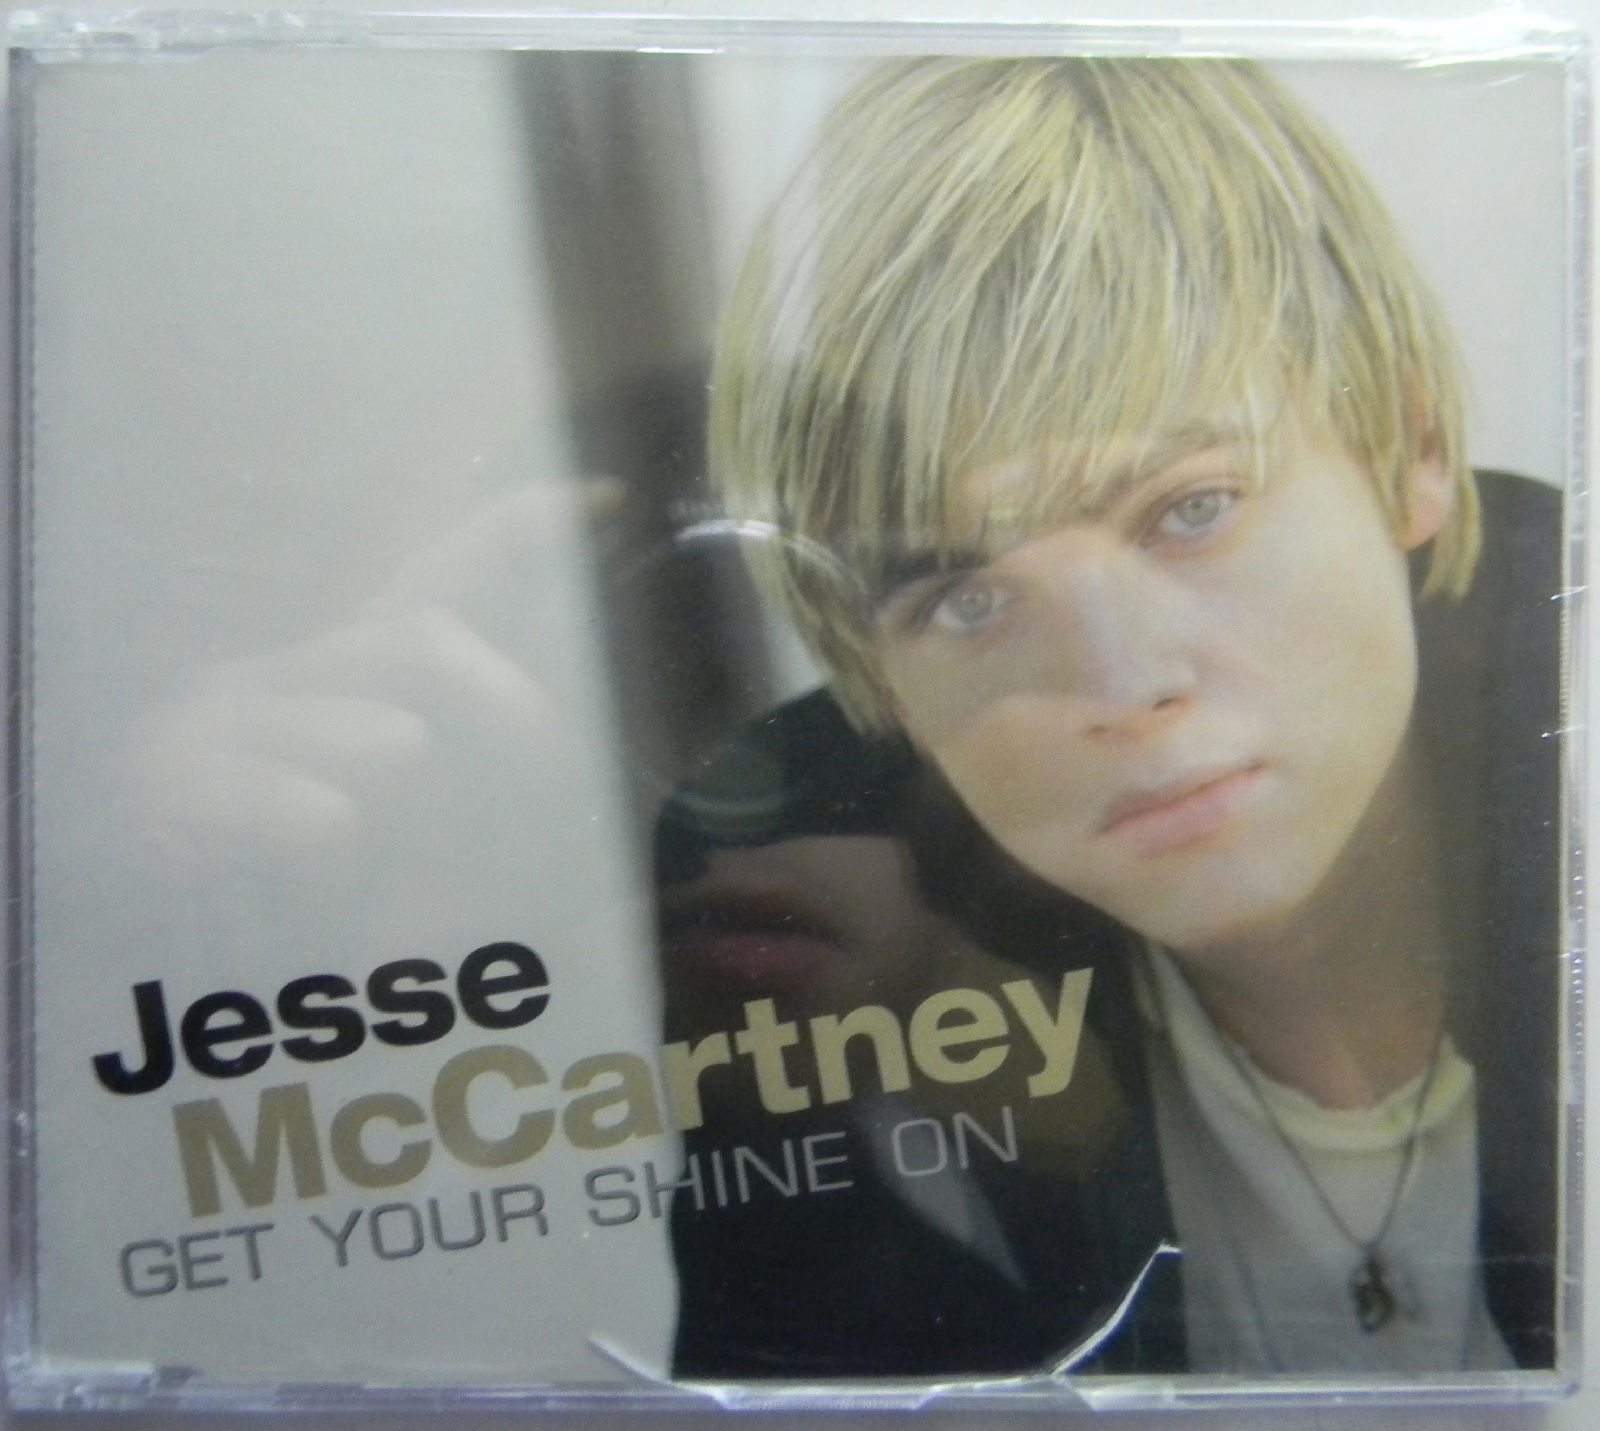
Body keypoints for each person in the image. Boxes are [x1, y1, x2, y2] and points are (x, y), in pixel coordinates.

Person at [656, 56, 1562, 1378]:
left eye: (1192, 509)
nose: (1124, 685)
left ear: (1408, 449)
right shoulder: (827, 885)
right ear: (886, 680)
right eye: (968, 598)